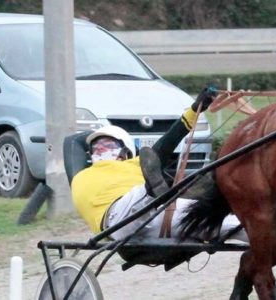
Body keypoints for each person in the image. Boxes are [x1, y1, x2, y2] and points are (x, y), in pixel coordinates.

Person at [71, 86, 247, 242]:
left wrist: (196, 108)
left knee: (226, 222)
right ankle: (154, 190)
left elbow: (170, 139)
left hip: (160, 217)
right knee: (138, 193)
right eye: (96, 146)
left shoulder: (137, 163)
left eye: (109, 145)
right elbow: (70, 142)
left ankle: (200, 194)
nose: (101, 149)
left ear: (127, 153)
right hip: (117, 221)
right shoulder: (82, 176)